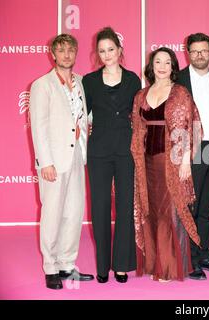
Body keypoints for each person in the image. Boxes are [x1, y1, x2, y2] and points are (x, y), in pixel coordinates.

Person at [131, 47, 202, 282]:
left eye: (167, 62)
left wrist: (185, 161)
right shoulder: (141, 95)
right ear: (152, 66)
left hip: (169, 161)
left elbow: (189, 127)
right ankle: (154, 263)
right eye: (157, 62)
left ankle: (170, 267)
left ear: (173, 67)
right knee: (150, 210)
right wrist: (137, 160)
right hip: (146, 163)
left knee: (168, 212)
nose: (162, 66)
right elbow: (138, 129)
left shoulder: (180, 93)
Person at [30, 34, 94, 289]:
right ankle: (50, 267)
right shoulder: (42, 85)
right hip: (53, 161)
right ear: (52, 54)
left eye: (71, 50)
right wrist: (45, 162)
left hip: (78, 155)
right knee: (53, 214)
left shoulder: (80, 82)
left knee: (74, 212)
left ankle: (67, 264)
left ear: (76, 53)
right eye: (62, 50)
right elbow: (39, 126)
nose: (67, 55)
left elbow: (82, 118)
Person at [82, 27, 141, 284]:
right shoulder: (89, 81)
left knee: (126, 206)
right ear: (98, 53)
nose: (107, 54)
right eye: (102, 50)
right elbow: (82, 115)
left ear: (120, 51)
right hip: (99, 150)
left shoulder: (133, 79)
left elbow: (139, 116)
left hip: (126, 149)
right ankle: (103, 265)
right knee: (101, 206)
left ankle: (121, 264)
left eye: (111, 49)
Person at [177, 33, 209, 280]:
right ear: (187, 52)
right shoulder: (179, 80)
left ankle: (203, 253)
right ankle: (189, 260)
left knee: (206, 206)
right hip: (192, 148)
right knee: (190, 205)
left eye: (204, 50)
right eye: (195, 51)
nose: (199, 55)